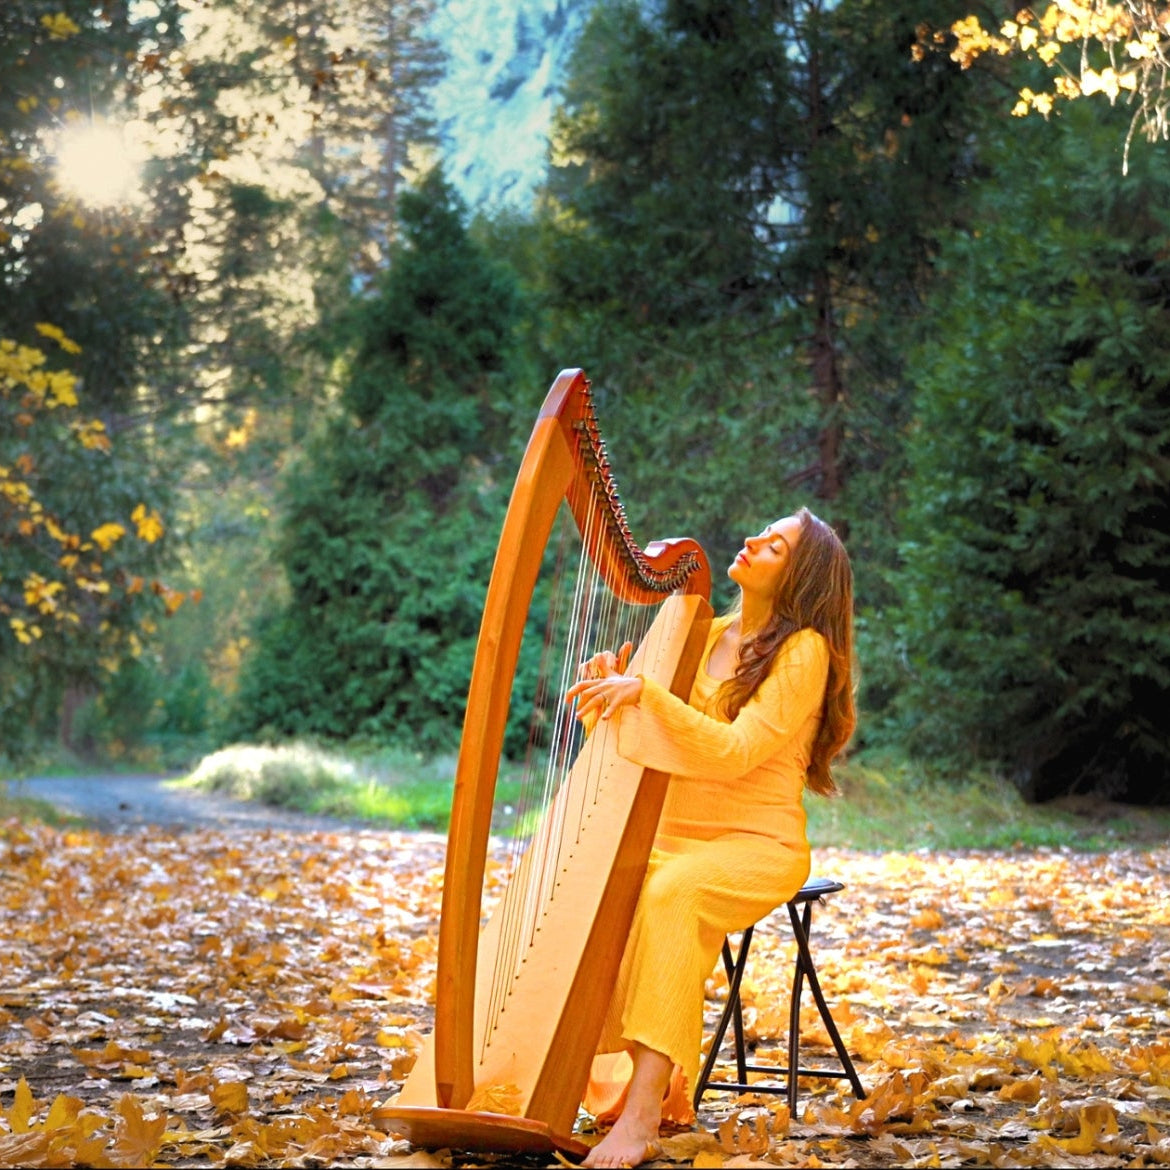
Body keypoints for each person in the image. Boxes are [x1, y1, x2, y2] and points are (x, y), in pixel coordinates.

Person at [564, 507, 856, 1169]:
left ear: (800, 576)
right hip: (670, 836)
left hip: (755, 844)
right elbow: (647, 744)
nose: (753, 540)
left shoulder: (802, 651)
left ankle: (640, 1118)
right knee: (600, 882)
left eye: (774, 544)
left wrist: (645, 696)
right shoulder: (701, 635)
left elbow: (730, 752)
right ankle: (579, 1083)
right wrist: (611, 693)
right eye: (762, 532)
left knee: (671, 892)